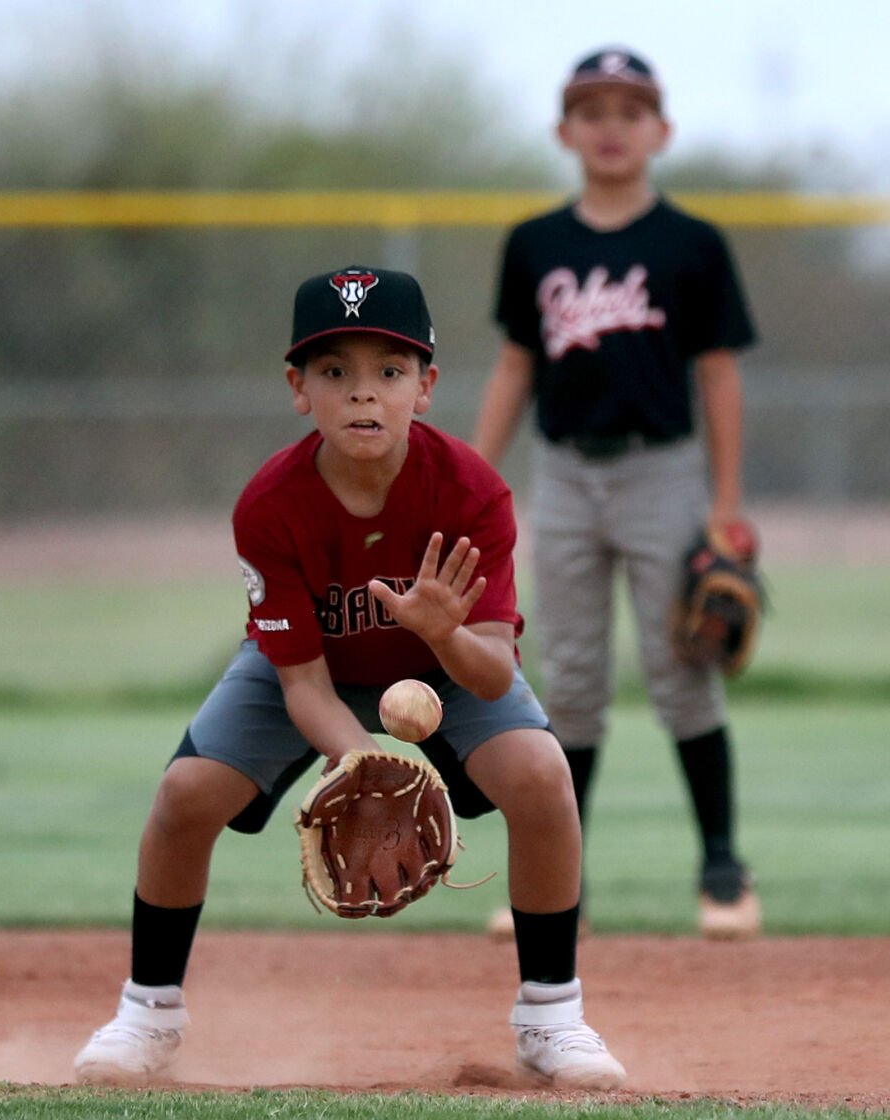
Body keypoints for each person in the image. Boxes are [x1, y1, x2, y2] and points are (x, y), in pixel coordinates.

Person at [73, 267, 625, 1088]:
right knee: (184, 797)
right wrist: (366, 766)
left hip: (444, 665)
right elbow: (299, 683)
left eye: (389, 372)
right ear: (298, 389)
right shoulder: (272, 504)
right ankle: (147, 1013)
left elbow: (490, 668)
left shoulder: (472, 490)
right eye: (335, 373)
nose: (363, 395)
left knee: (544, 777)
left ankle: (553, 1016)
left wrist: (442, 632)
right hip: (306, 670)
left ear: (426, 387)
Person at [471, 47, 761, 940]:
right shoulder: (536, 242)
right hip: (563, 473)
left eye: (629, 111)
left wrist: (726, 502)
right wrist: (472, 485)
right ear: (564, 131)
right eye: (591, 110)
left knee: (682, 675)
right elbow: (518, 363)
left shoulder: (691, 243)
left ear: (660, 132)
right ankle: (562, 886)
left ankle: (722, 871)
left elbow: (717, 375)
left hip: (661, 472)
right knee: (570, 683)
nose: (610, 126)